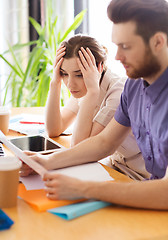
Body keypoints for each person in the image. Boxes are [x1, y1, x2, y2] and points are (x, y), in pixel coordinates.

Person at [21, 0, 168, 210]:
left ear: (158, 42)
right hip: (139, 189)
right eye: (117, 45)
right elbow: (104, 143)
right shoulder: (134, 87)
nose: (117, 56)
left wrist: (84, 188)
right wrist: (45, 162)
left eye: (126, 46)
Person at [45, 34, 149, 180]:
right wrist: (55, 83)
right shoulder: (82, 88)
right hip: (115, 165)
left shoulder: (118, 92)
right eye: (64, 73)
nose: (70, 84)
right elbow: (54, 129)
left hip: (140, 172)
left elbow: (79, 149)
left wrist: (93, 91)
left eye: (79, 74)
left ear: (99, 67)